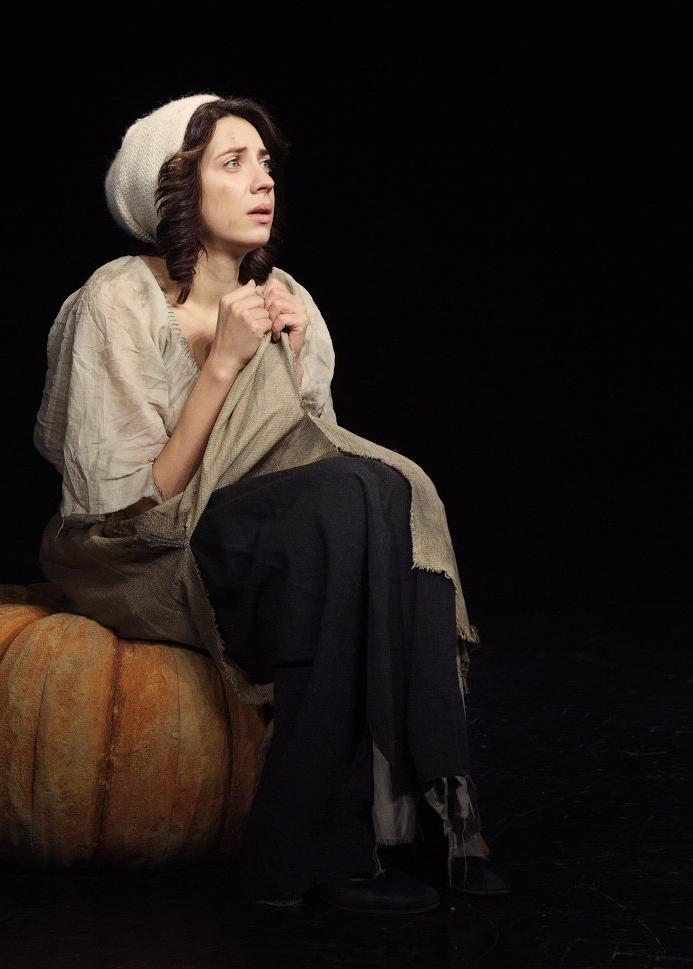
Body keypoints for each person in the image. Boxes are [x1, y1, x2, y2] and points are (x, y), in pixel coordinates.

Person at [32, 92, 510, 914]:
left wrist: (286, 359)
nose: (264, 181)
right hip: (141, 552)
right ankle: (302, 850)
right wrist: (224, 363)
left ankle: (435, 804)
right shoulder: (117, 301)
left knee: (388, 488)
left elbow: (303, 458)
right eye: (233, 163)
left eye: (264, 163)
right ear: (175, 190)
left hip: (260, 539)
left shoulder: (287, 294)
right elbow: (134, 504)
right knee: (346, 499)